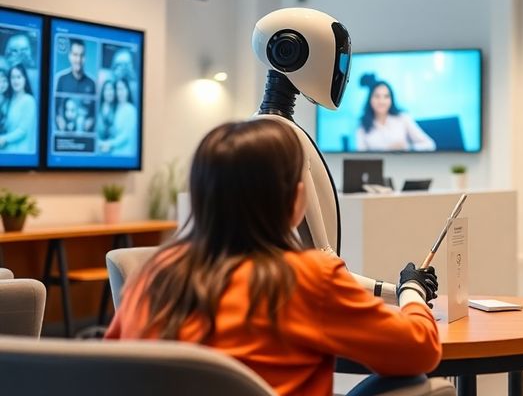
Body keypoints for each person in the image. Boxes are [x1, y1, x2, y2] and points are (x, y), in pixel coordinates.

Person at [106, 119, 442, 396]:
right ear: (296, 198)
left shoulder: (153, 277)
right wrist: (411, 290)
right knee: (417, 385)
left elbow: (110, 372)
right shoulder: (310, 277)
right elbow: (420, 350)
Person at [355, 76, 435, 152]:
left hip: (402, 164)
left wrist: (407, 148)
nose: (381, 101)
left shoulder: (403, 118)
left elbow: (430, 144)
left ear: (391, 99)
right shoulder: (362, 124)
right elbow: (360, 157)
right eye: (377, 96)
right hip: (377, 166)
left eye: (386, 96)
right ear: (370, 99)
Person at [0, 64, 37, 153]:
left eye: (19, 77)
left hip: (21, 154)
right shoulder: (8, 101)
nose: (15, 81)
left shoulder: (29, 100)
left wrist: (4, 138)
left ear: (25, 79)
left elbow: (22, 130)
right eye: (13, 77)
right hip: (6, 152)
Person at [98, 78, 137, 156]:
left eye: (122, 89)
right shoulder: (116, 109)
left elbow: (125, 136)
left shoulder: (131, 109)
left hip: (125, 154)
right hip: (113, 154)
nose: (120, 92)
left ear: (127, 90)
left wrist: (107, 144)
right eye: (117, 89)